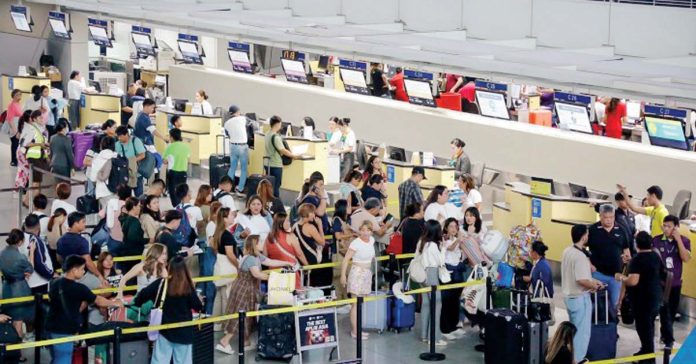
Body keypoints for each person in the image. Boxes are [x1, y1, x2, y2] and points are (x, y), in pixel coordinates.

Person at [216, 235, 292, 355]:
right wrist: (276, 277)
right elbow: (257, 274)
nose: (262, 243)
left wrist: (286, 263)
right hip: (244, 289)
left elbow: (270, 261)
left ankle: (245, 341)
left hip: (245, 288)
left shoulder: (256, 256)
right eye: (260, 241)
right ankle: (224, 341)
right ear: (255, 245)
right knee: (240, 315)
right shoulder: (251, 259)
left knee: (246, 315)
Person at [45, 255, 122, 364]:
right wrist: (115, 303)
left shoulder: (55, 283)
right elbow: (99, 301)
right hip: (64, 330)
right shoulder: (79, 288)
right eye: (82, 269)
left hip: (50, 326)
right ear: (74, 270)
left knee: (56, 358)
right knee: (63, 360)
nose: (83, 272)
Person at [135, 256, 203, 363]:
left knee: (160, 360)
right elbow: (198, 306)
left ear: (169, 268)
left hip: (164, 331)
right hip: (184, 332)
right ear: (185, 269)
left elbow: (142, 295)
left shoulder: (162, 283)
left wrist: (138, 302)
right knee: (183, 361)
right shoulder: (188, 286)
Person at [615, 232, 664, 361]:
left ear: (637, 244)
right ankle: (646, 350)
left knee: (644, 328)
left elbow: (633, 281)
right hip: (655, 297)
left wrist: (620, 277)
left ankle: (648, 357)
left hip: (642, 300)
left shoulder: (637, 260)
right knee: (649, 326)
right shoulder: (655, 256)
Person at [561, 224, 604, 363]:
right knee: (581, 333)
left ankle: (573, 357)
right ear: (584, 236)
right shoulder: (579, 256)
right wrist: (595, 285)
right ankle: (577, 359)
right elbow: (581, 280)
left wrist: (592, 280)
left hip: (569, 296)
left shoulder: (567, 251)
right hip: (579, 298)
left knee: (574, 330)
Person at [653, 215, 691, 349]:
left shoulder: (685, 241)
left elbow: (685, 258)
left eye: (669, 226)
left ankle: (665, 335)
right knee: (664, 311)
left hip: (675, 283)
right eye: (665, 225)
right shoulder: (657, 240)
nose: (666, 229)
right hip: (660, 283)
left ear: (676, 227)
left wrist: (678, 239)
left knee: (671, 312)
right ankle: (668, 339)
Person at [586, 204, 630, 311]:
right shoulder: (592, 230)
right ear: (600, 216)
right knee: (594, 305)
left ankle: (611, 325)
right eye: (606, 217)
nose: (609, 220)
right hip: (597, 273)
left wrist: (627, 258)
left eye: (611, 217)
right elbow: (582, 249)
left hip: (616, 276)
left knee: (614, 306)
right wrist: (589, 264)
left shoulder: (621, 230)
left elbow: (626, 250)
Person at [340, 221, 376, 339]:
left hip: (367, 274)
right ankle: (355, 331)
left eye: (368, 230)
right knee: (355, 304)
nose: (366, 233)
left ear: (371, 231)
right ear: (359, 231)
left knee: (361, 304)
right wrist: (343, 275)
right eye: (363, 230)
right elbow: (346, 259)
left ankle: (358, 329)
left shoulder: (372, 240)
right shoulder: (355, 243)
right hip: (357, 273)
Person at [0, 229, 34, 349]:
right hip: (19, 289)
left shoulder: (2, 253)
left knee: (11, 319)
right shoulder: (20, 257)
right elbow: (30, 268)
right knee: (18, 321)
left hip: (6, 288)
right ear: (20, 242)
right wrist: (32, 252)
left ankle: (10, 349)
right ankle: (17, 352)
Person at [117, 243, 169, 319]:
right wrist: (120, 294)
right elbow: (124, 278)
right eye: (163, 253)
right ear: (156, 253)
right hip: (141, 301)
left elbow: (168, 285)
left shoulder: (162, 270)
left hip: (155, 303)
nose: (165, 256)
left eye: (165, 254)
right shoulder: (141, 267)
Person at [417, 220, 447, 346]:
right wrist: (444, 248)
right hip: (432, 274)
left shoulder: (421, 242)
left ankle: (424, 335)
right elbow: (441, 261)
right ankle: (434, 338)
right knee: (437, 304)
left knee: (426, 304)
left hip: (422, 275)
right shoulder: (433, 245)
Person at [209, 207, 239, 322]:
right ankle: (226, 323)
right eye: (231, 215)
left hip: (219, 267)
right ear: (225, 218)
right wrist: (238, 265)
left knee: (219, 296)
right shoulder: (227, 235)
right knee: (227, 296)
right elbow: (230, 254)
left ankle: (216, 323)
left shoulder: (217, 232)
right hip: (227, 268)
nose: (233, 217)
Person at [440, 218, 467, 340]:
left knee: (455, 300)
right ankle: (445, 328)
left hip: (457, 273)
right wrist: (458, 241)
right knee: (447, 300)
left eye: (455, 226)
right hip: (448, 273)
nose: (453, 229)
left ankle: (454, 326)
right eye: (450, 226)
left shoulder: (457, 240)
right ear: (446, 228)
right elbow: (450, 248)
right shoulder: (444, 239)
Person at [265, 212, 308, 288]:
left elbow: (265, 256)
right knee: (293, 296)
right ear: (281, 224)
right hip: (290, 271)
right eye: (287, 221)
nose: (289, 223)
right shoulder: (290, 236)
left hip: (274, 273)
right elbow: (299, 254)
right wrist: (307, 266)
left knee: (278, 297)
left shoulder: (268, 237)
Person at [20, 110, 50, 207]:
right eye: (40, 118)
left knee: (36, 182)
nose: (42, 119)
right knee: (36, 182)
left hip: (38, 157)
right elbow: (25, 143)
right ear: (34, 119)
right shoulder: (31, 129)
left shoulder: (38, 129)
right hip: (34, 157)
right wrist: (40, 144)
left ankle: (26, 200)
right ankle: (36, 204)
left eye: (42, 117)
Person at [293, 203, 327, 286]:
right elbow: (322, 242)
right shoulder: (310, 227)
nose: (314, 215)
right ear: (308, 213)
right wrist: (320, 226)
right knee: (314, 287)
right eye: (313, 213)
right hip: (312, 260)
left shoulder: (294, 226)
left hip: (300, 261)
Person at [264, 115, 296, 196]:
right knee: (276, 187)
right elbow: (282, 150)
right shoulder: (276, 137)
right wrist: (293, 156)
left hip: (267, 163)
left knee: (270, 185)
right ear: (277, 124)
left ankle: (270, 203)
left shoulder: (267, 134)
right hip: (276, 164)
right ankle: (276, 204)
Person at [23, 214, 55, 295]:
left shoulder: (20, 238)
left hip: (25, 283)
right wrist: (50, 274)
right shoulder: (35, 240)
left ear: (25, 225)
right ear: (38, 226)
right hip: (39, 282)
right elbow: (39, 263)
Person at [223, 105, 249, 194]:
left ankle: (227, 187)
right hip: (242, 147)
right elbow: (251, 124)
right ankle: (240, 188)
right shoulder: (242, 119)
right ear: (237, 112)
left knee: (232, 167)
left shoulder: (226, 123)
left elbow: (227, 134)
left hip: (233, 146)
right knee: (244, 169)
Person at [117, 197, 149, 269]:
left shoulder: (125, 219)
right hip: (133, 254)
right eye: (139, 206)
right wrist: (147, 240)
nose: (140, 208)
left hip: (126, 253)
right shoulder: (134, 221)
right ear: (134, 207)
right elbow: (133, 238)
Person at [163, 128, 191, 206]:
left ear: (171, 137)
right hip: (183, 173)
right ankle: (182, 206)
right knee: (182, 191)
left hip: (173, 173)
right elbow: (188, 160)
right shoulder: (186, 147)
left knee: (173, 192)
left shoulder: (170, 147)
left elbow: (164, 161)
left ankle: (176, 207)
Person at [89, 137, 118, 208]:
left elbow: (93, 178)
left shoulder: (97, 159)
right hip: (117, 190)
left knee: (106, 214)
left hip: (102, 191)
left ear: (101, 145)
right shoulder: (117, 156)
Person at [104, 185, 131, 254]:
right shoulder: (132, 206)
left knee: (112, 260)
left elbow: (101, 215)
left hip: (114, 238)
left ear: (118, 194)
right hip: (128, 240)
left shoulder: (112, 203)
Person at [6, 89, 23, 166]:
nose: (19, 96)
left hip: (18, 127)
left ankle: (17, 160)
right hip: (14, 128)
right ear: (13, 96)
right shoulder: (11, 105)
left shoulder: (18, 104)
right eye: (17, 95)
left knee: (17, 145)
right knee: (15, 145)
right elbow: (9, 119)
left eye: (20, 94)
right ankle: (14, 161)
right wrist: (15, 131)